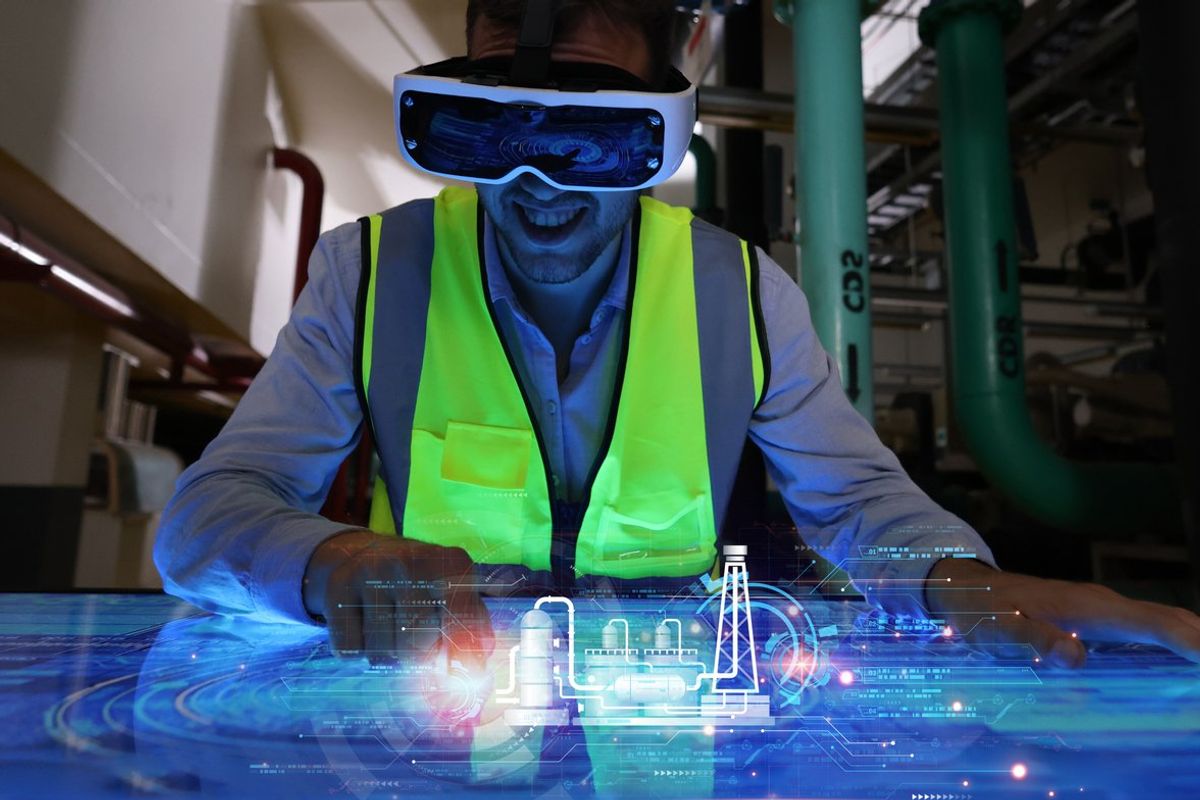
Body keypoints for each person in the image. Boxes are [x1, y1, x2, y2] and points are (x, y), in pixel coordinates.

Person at [155, 0, 1200, 671]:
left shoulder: (741, 292)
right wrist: (330, 557)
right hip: (442, 719)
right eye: (498, 133)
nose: (536, 185)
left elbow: (865, 506)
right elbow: (204, 518)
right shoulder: (372, 272)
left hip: (666, 731)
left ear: (658, 133)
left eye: (590, 138)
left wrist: (967, 581)